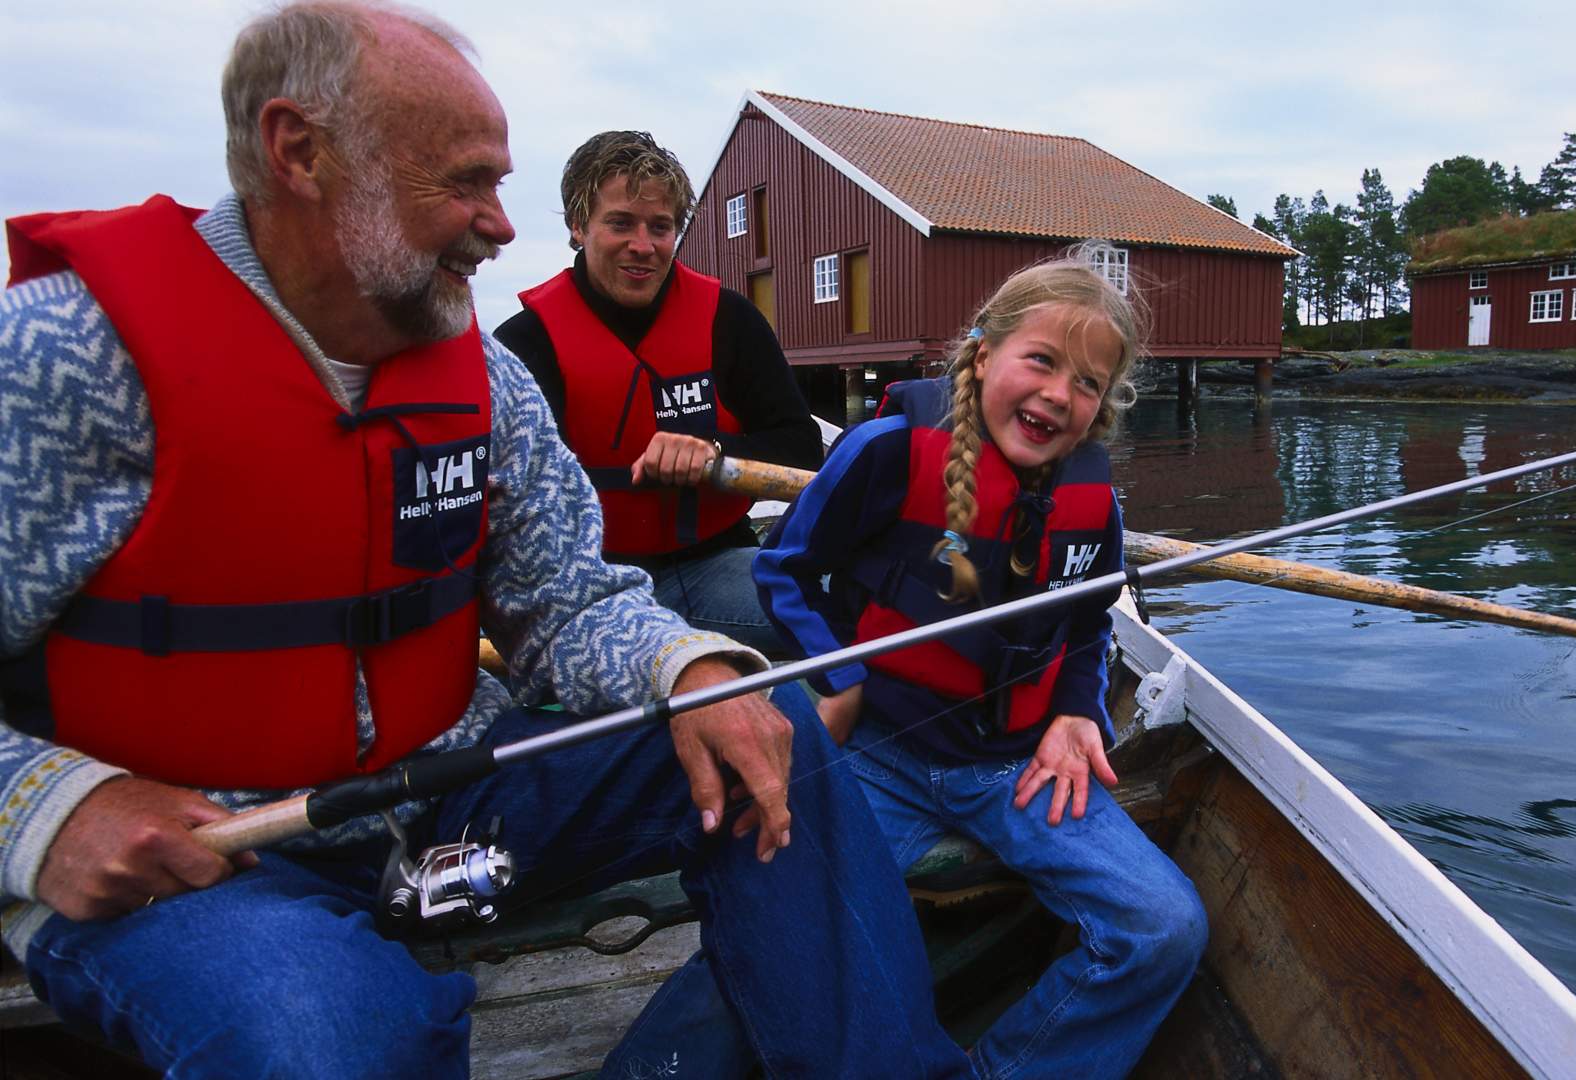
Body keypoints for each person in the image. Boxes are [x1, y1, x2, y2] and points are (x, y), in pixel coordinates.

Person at [0, 4, 969, 1077]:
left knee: (762, 720)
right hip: (202, 859)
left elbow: (568, 597)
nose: (499, 226)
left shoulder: (478, 374)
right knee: (326, 1034)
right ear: (300, 152)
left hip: (455, 791)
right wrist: (43, 808)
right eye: (464, 183)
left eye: (499, 186)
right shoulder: (60, 357)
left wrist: (684, 661)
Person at [632, 249, 1209, 1079]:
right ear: (984, 355)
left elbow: (1088, 624)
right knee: (769, 935)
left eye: (1087, 382)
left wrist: (1079, 711)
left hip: (1017, 770)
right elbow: (784, 571)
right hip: (877, 756)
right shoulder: (887, 451)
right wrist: (840, 674)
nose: (1058, 393)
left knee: (1164, 929)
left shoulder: (1094, 504)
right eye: (1040, 360)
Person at [494, 131, 820, 658]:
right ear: (578, 227)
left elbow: (802, 448)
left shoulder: (729, 320)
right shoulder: (524, 344)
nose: (643, 246)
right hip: (594, 588)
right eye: (620, 223)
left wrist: (715, 452)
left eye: (660, 227)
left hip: (717, 565)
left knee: (846, 606)